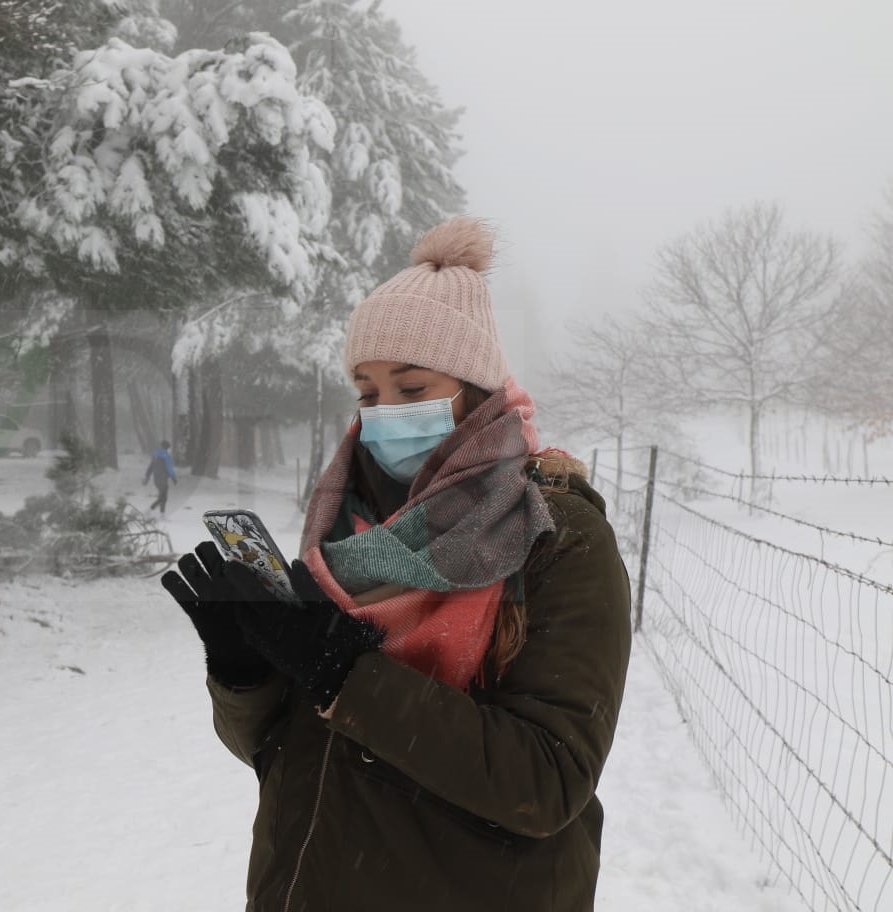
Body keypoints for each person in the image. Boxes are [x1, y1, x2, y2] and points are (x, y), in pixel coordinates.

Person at [161, 217, 632, 911]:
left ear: (475, 390)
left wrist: (348, 674)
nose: (383, 413)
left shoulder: (557, 537)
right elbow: (289, 754)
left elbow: (548, 780)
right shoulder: (346, 525)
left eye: (411, 390)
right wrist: (246, 675)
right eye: (367, 390)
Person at [143, 439, 177, 516]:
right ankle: (151, 510)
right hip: (163, 479)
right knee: (163, 497)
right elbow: (170, 468)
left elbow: (150, 467)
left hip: (156, 479)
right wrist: (174, 478)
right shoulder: (166, 456)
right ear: (167, 447)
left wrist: (147, 476)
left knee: (163, 497)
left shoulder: (155, 455)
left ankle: (160, 513)